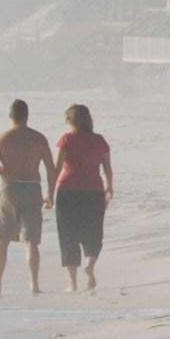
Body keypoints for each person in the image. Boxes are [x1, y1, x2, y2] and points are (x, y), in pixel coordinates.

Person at [0, 99, 52, 297]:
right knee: (31, 241)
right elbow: (51, 168)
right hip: (32, 189)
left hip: (9, 189)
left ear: (11, 116)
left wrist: (1, 169)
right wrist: (51, 193)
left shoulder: (2, 138)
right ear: (27, 115)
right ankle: (34, 285)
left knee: (3, 239)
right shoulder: (39, 138)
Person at [48, 104, 114, 292]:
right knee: (94, 231)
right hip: (93, 191)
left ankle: (72, 282)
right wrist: (110, 187)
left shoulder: (67, 139)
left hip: (68, 190)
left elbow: (57, 168)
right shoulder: (99, 141)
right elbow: (108, 168)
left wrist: (50, 193)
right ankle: (90, 265)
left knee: (68, 234)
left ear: (71, 121)